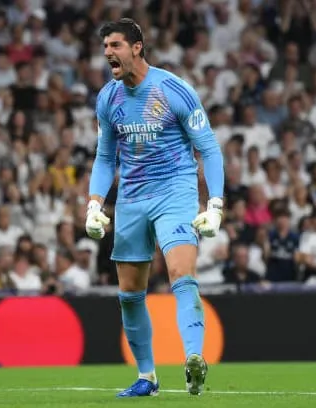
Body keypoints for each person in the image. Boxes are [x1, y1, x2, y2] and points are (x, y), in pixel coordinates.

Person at [85, 19, 224, 397]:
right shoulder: (108, 98)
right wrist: (94, 203)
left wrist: (215, 204)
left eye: (115, 45)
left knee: (182, 273)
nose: (108, 52)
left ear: (137, 47)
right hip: (130, 199)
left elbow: (209, 149)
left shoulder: (172, 89)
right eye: (105, 46)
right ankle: (147, 377)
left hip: (175, 193)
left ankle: (194, 358)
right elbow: (104, 157)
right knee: (129, 292)